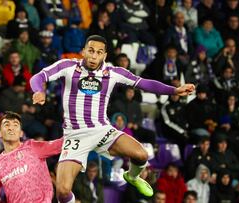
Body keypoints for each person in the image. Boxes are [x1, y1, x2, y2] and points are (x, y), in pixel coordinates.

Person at [30, 35, 195, 201]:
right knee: (62, 192)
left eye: (99, 52)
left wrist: (174, 90)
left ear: (105, 56)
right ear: (83, 51)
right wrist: (38, 90)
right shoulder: (68, 66)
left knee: (142, 156)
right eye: (91, 51)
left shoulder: (113, 73)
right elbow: (38, 77)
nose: (94, 56)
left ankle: (132, 176)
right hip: (75, 135)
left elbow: (144, 83)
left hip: (102, 130)